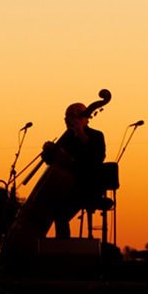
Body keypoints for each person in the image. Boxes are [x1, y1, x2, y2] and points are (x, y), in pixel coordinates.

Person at [42, 101, 107, 238]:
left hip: (85, 187)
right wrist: (48, 151)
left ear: (85, 118)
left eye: (74, 116)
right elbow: (50, 161)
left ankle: (64, 249)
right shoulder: (67, 137)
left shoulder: (96, 135)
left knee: (60, 214)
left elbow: (97, 158)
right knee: (50, 209)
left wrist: (82, 135)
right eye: (68, 117)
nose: (70, 120)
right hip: (64, 187)